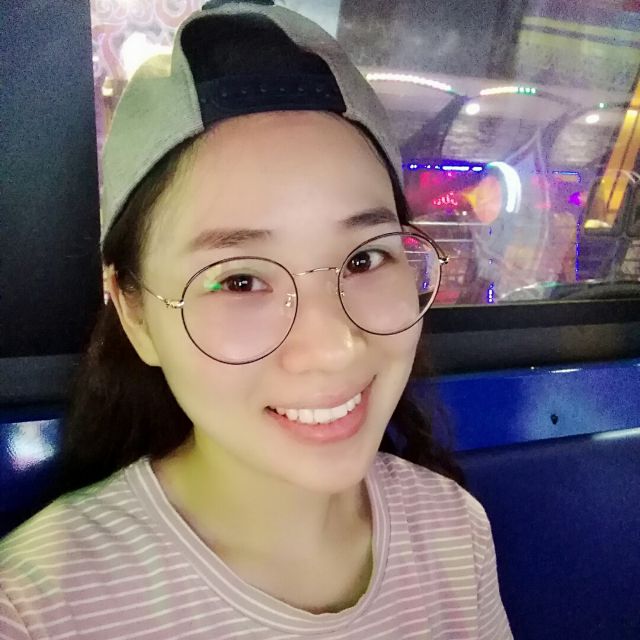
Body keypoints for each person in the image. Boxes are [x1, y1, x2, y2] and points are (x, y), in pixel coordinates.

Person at [0, 2, 512, 638]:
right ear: (134, 311)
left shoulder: (452, 528)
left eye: (364, 258)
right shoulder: (35, 610)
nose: (334, 346)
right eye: (240, 280)